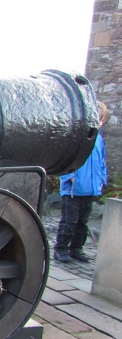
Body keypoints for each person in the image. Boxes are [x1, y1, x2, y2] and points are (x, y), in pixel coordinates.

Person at [53, 102, 109, 263]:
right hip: (73, 188)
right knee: (69, 222)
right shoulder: (76, 137)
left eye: (100, 120)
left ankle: (76, 249)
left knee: (82, 223)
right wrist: (67, 178)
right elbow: (63, 160)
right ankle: (60, 249)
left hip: (90, 188)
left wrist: (101, 181)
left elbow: (101, 162)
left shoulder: (99, 140)